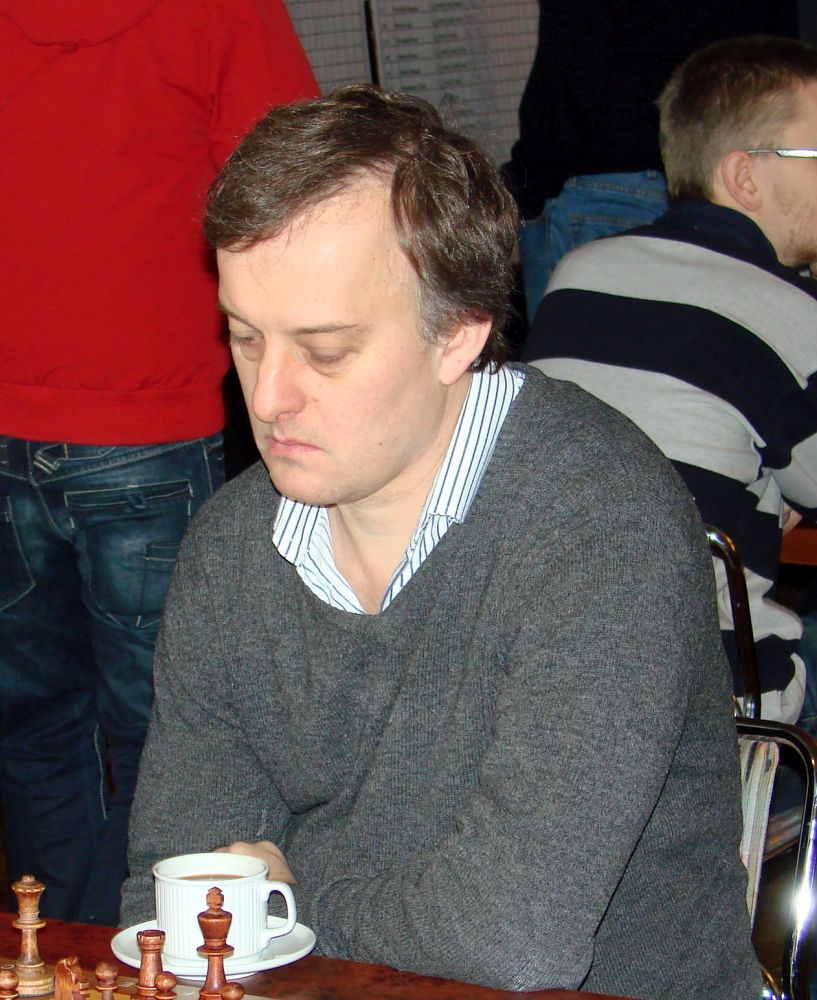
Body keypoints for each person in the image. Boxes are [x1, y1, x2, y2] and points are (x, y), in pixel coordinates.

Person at [121, 85, 761, 998]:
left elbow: (509, 938)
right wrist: (251, 910)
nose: (267, 397)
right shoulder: (232, 549)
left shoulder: (598, 521)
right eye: (245, 336)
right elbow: (171, 892)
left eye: (326, 350)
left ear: (458, 333)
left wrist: (280, 899)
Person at [0, 0, 317, 924]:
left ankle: (70, 949)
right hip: (147, 422)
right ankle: (169, 951)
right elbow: (293, 192)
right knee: (179, 738)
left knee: (34, 728)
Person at [523, 35, 817, 732]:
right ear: (744, 177)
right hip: (714, 712)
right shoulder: (789, 312)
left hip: (553, 683)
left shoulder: (576, 274)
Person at [503, 0, 798, 321]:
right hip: (726, 185)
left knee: (586, 347)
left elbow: (567, 71)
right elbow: (781, 63)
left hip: (602, 187)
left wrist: (525, 186)